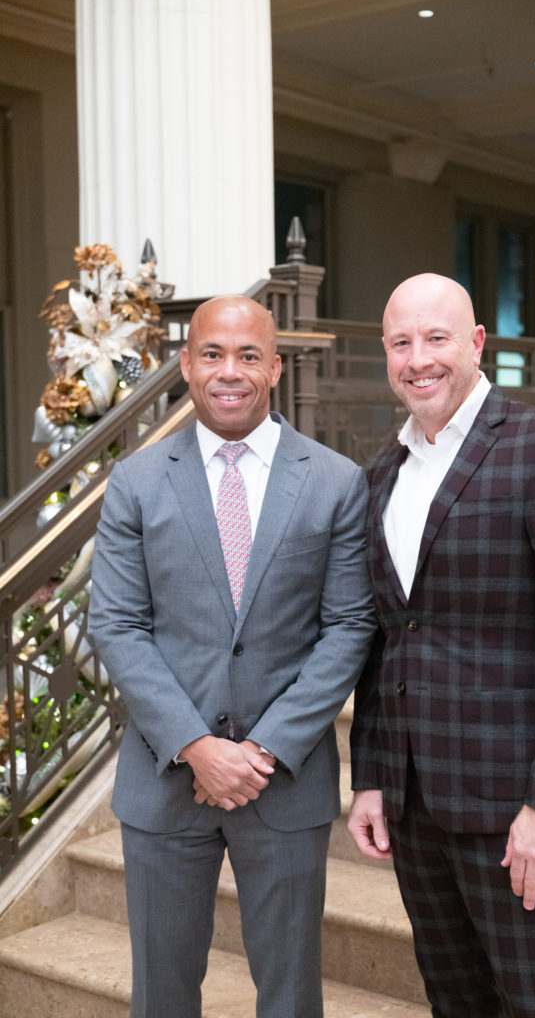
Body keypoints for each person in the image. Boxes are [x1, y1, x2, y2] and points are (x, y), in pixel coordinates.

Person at [89, 294, 375, 1018]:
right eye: (212, 353)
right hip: (164, 782)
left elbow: (347, 625)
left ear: (275, 367)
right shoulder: (137, 481)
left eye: (249, 355)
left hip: (284, 783)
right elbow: (118, 624)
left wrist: (266, 748)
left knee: (288, 994)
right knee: (162, 993)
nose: (230, 371)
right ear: (185, 365)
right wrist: (195, 745)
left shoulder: (336, 481)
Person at [347, 274, 535, 1018]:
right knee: (455, 1000)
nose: (417, 359)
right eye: (400, 343)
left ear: (475, 343)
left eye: (435, 338)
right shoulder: (384, 472)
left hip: (514, 805)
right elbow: (386, 638)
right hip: (413, 804)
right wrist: (372, 776)